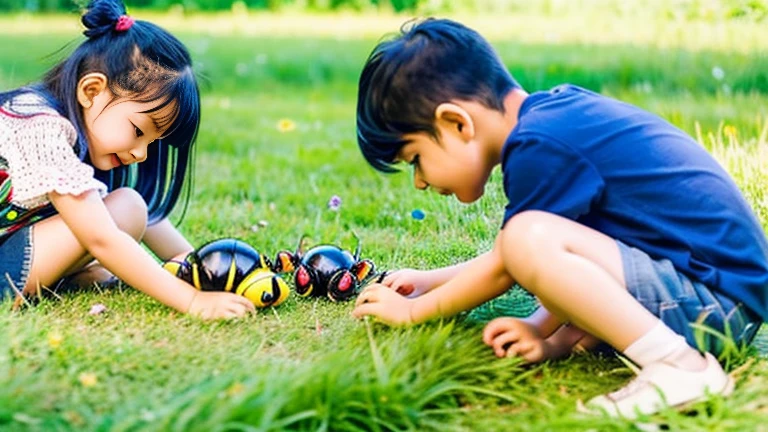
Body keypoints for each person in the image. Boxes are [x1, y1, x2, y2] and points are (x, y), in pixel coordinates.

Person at [351, 18, 767, 418]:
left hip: (715, 302)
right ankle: (600, 343)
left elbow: (511, 261)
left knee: (527, 236)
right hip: (714, 296)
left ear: (457, 122)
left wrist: (415, 311)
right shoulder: (554, 119)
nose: (420, 182)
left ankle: (679, 368)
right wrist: (540, 332)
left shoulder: (537, 145)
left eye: (415, 160)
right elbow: (555, 257)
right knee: (531, 238)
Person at [0, 0, 255, 320]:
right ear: (91, 91)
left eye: (151, 142)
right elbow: (101, 238)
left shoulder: (80, 126)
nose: (141, 153)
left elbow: (146, 218)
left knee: (129, 206)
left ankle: (71, 279)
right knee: (120, 213)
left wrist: (207, 272)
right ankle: (64, 279)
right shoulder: (40, 128)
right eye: (138, 130)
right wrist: (191, 301)